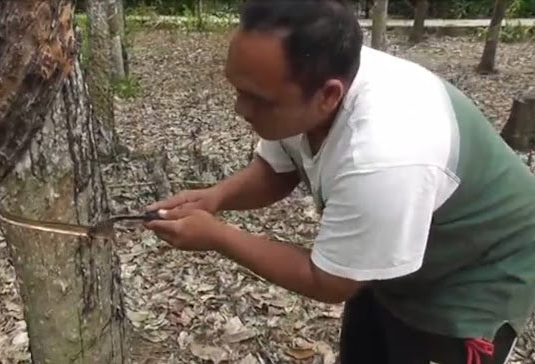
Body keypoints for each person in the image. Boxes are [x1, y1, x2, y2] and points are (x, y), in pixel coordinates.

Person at [142, 0, 535, 363]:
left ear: (329, 95)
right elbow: (279, 168)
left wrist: (218, 236)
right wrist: (216, 197)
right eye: (237, 90)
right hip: (400, 245)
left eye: (258, 98)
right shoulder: (308, 77)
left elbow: (330, 282)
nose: (241, 109)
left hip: (476, 271)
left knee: (424, 339)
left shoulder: (382, 155)